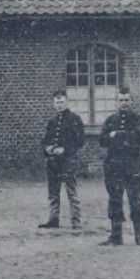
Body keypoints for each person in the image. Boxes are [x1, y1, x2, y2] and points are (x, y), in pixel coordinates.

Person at [98, 86, 140, 245]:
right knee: (115, 199)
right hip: (114, 166)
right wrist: (114, 136)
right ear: (116, 102)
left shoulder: (138, 119)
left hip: (132, 166)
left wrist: (116, 134)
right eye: (121, 100)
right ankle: (116, 235)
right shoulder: (111, 120)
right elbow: (102, 141)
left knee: (135, 199)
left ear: (131, 101)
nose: (124, 103)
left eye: (126, 100)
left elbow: (136, 136)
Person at [38, 90, 85, 230]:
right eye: (57, 102)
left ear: (67, 102)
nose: (59, 105)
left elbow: (80, 141)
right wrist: (47, 148)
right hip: (52, 161)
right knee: (52, 191)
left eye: (62, 102)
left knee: (71, 190)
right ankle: (53, 219)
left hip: (68, 161)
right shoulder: (52, 122)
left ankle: (76, 221)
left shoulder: (75, 119)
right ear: (54, 104)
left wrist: (65, 149)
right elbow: (45, 140)